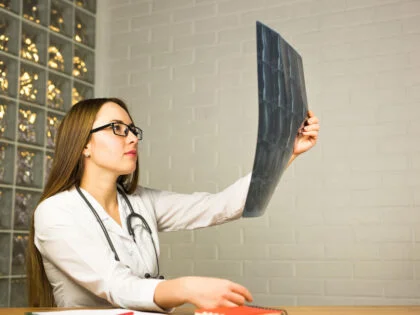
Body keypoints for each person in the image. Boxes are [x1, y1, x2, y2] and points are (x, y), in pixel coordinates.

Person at [27, 97, 320, 311]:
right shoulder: (55, 213)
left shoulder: (140, 202)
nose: (131, 138)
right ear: (83, 145)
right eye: (117, 128)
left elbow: (219, 205)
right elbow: (117, 286)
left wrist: (286, 152)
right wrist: (187, 288)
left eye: (132, 130)